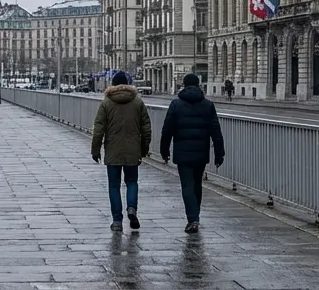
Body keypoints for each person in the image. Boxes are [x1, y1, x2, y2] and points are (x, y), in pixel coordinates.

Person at [160, 73, 225, 234]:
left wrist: (164, 150)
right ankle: (196, 216)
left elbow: (167, 129)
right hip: (201, 152)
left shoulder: (176, 104)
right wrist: (219, 153)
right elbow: (216, 130)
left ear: (184, 85)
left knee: (187, 185)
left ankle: (192, 218)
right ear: (198, 85)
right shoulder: (208, 105)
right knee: (197, 183)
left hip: (182, 152)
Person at [90, 71, 151, 232]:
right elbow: (146, 128)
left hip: (113, 150)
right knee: (132, 182)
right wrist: (144, 148)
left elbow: (98, 129)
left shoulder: (106, 103)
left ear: (113, 85)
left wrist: (95, 150)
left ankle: (117, 220)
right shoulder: (137, 102)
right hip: (133, 150)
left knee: (114, 186)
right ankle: (132, 208)